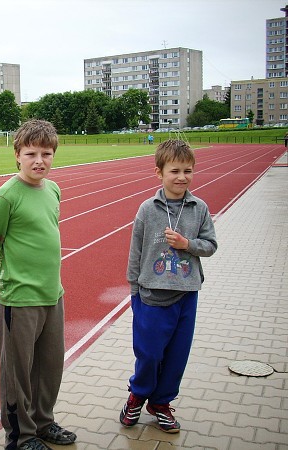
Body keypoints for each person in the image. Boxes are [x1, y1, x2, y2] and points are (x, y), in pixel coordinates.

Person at [0, 119, 77, 450]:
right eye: (31, 153)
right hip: (19, 298)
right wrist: (0, 254)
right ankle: (20, 436)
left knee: (49, 367)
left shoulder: (53, 189)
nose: (39, 160)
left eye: (46, 153)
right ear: (17, 155)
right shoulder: (6, 196)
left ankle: (43, 423)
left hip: (52, 293)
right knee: (18, 374)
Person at [120, 139, 218, 433]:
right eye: (174, 171)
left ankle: (161, 402)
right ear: (159, 173)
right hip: (150, 294)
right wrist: (134, 290)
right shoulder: (147, 209)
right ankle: (138, 394)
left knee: (177, 354)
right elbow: (135, 251)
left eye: (188, 171)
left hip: (186, 294)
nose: (182, 177)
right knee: (148, 353)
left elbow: (211, 245)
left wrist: (188, 245)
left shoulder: (199, 208)